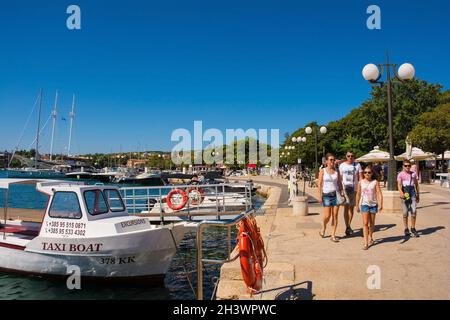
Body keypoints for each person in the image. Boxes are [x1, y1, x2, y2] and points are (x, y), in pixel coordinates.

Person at [318, 153, 344, 242]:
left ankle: (333, 235)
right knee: (327, 216)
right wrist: (319, 195)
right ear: (326, 161)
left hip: (336, 195)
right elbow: (320, 184)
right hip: (326, 195)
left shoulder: (337, 171)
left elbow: (339, 183)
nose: (332, 161)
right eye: (331, 160)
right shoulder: (323, 171)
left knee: (335, 215)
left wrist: (342, 191)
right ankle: (323, 228)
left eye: (333, 159)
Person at [356, 165, 383, 250]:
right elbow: (358, 194)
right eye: (365, 172)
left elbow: (379, 193)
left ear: (372, 173)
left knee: (372, 223)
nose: (367, 174)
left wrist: (381, 203)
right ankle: (366, 242)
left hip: (373, 204)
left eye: (369, 172)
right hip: (364, 204)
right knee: (365, 223)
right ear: (363, 173)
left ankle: (370, 236)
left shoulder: (375, 182)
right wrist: (357, 205)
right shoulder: (360, 182)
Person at [339, 151, 363, 236]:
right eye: (348, 156)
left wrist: (362, 188)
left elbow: (360, 178)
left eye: (352, 156)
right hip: (345, 188)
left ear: (354, 157)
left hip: (354, 188)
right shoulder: (342, 165)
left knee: (351, 208)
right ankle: (347, 226)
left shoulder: (357, 165)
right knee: (346, 207)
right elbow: (340, 178)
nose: (350, 157)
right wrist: (340, 189)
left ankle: (348, 226)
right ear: (346, 156)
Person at [397, 160, 420, 238]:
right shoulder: (400, 174)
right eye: (405, 165)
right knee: (405, 212)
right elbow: (399, 185)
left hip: (412, 193)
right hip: (405, 193)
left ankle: (413, 228)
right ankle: (406, 228)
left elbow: (416, 185)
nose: (407, 167)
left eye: (409, 166)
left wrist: (418, 195)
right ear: (403, 166)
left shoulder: (413, 174)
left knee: (414, 211)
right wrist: (401, 192)